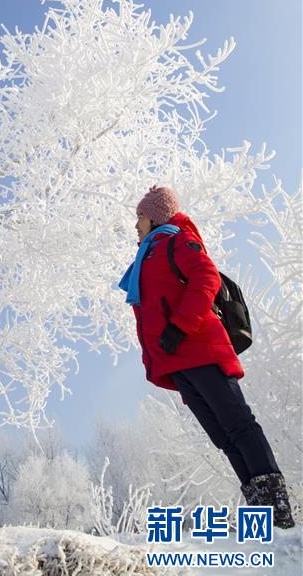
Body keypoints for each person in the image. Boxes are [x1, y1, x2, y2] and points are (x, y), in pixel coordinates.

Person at [119, 185, 295, 529]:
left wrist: (179, 327)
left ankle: (277, 510)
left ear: (155, 216)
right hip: (177, 360)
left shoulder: (176, 240)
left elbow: (206, 276)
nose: (135, 224)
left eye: (139, 216)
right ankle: (262, 513)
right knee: (223, 436)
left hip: (197, 347)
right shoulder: (148, 255)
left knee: (239, 424)